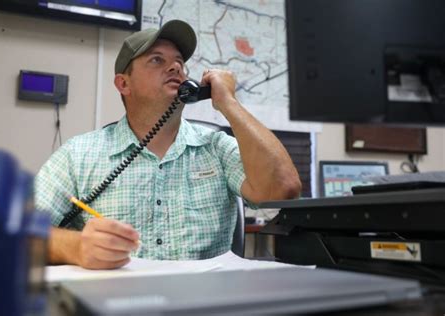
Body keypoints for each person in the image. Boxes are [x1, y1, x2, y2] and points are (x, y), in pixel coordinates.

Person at [35, 20, 301, 270]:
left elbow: (283, 189)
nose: (176, 68)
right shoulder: (79, 154)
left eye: (179, 62)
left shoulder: (216, 147)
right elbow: (15, 231)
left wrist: (228, 103)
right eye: (157, 60)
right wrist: (77, 247)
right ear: (123, 84)